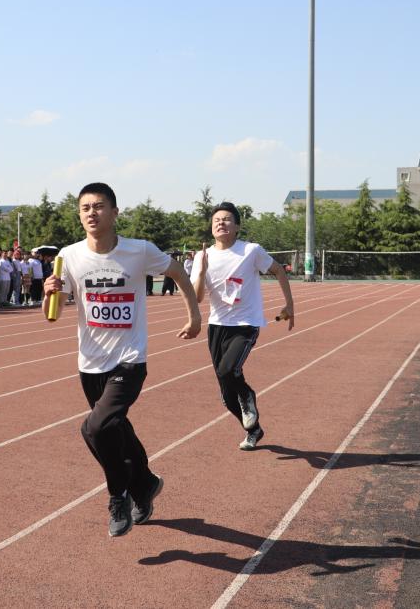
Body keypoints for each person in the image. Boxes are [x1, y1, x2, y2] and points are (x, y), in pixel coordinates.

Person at [43, 182, 201, 537]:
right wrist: (48, 294)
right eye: (85, 208)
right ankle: (145, 484)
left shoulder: (139, 251)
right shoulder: (69, 256)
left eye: (99, 206)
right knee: (117, 431)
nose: (92, 213)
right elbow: (53, 312)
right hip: (90, 363)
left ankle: (119, 496)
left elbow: (177, 271)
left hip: (129, 359)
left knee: (96, 428)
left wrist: (194, 316)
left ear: (115, 212)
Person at [191, 202, 295, 451]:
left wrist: (289, 305)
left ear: (237, 226)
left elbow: (279, 271)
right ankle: (253, 430)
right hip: (217, 326)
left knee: (228, 370)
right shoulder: (202, 257)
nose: (221, 223)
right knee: (227, 396)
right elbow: (197, 298)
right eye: (217, 220)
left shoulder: (251, 250)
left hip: (246, 324)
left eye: (227, 219)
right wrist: (202, 271)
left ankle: (248, 395)